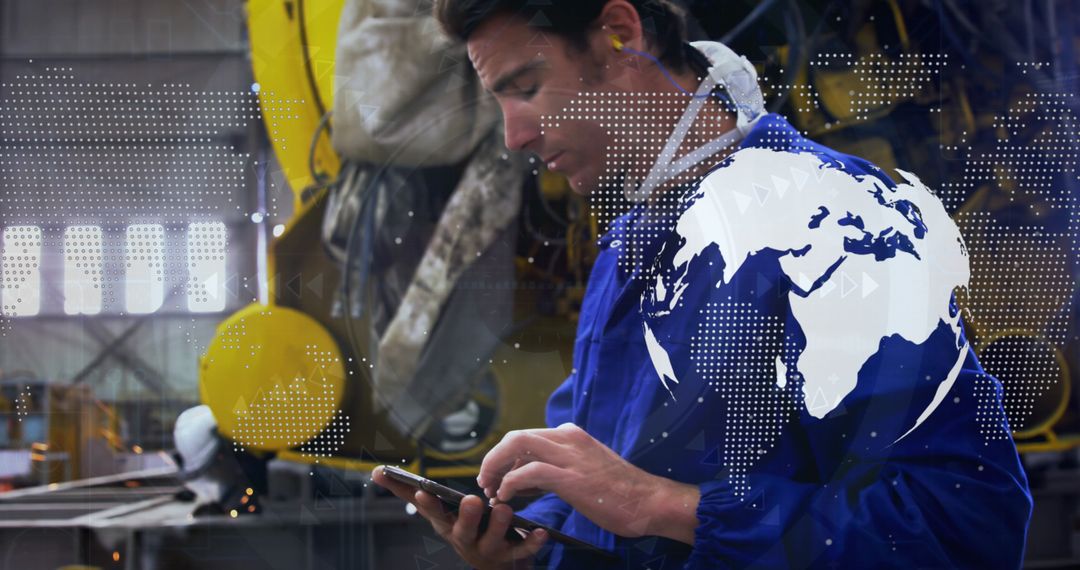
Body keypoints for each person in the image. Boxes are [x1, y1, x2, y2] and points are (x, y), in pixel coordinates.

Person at [373, 1, 1034, 568]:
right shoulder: (632, 243)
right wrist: (531, 540)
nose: (514, 136)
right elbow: (604, 481)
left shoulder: (835, 225)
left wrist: (663, 506)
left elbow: (962, 523)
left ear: (620, 34)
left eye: (526, 87)